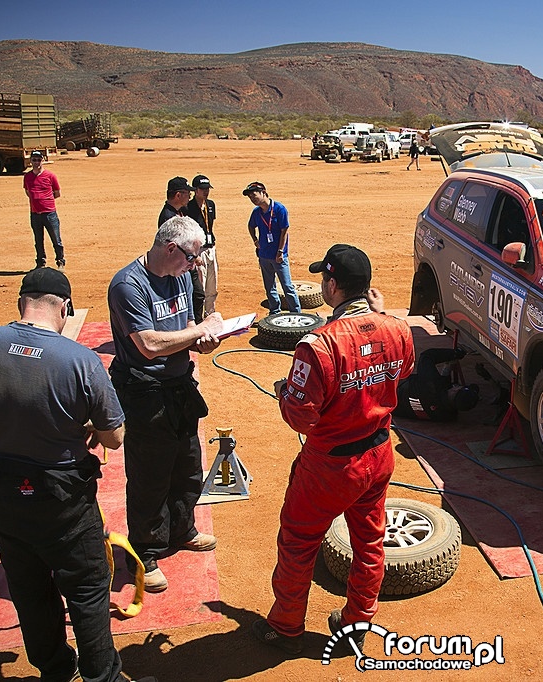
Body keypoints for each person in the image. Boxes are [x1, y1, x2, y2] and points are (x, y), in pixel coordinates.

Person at [0, 268, 156, 682]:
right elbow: (113, 436)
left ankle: (56, 671)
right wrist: (91, 428)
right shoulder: (78, 359)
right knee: (88, 589)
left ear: (21, 302)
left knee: (29, 588)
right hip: (62, 501)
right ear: (65, 307)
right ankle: (102, 677)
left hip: (1, 496)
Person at [252, 244, 414, 655]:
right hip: (379, 455)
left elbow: (300, 417)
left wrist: (285, 393)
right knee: (369, 541)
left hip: (330, 466)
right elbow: (403, 370)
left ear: (332, 284)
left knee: (298, 542)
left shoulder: (318, 345)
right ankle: (358, 622)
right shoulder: (397, 328)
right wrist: (378, 318)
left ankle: (287, 624)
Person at [107, 215, 224, 593]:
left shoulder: (182, 276)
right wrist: (197, 332)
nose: (195, 265)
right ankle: (145, 551)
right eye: (191, 257)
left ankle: (182, 528)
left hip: (178, 385)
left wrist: (202, 339)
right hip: (144, 392)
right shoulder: (129, 285)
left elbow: (187, 324)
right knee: (149, 475)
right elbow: (149, 344)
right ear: (170, 248)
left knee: (187, 465)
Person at [244, 181, 301, 315]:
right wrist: (255, 240)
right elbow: (251, 226)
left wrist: (280, 251)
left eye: (254, 195)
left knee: (287, 286)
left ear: (263, 192)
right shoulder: (256, 212)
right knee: (269, 287)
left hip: (278, 256)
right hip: (264, 255)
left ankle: (296, 313)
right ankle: (274, 311)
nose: (252, 199)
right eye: (250, 197)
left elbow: (284, 231)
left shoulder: (279, 209)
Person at [394, 347, 479, 421]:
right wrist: (447, 368)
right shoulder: (448, 416)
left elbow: (426, 356)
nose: (457, 386)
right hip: (391, 408)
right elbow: (442, 396)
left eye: (459, 387)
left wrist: (454, 354)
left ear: (456, 390)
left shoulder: (431, 383)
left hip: (389, 388)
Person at [23, 150, 65, 270]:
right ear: (30, 161)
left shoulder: (50, 176)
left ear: (43, 160)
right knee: (38, 240)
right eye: (34, 160)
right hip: (35, 214)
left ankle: (60, 262)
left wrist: (45, 200)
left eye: (39, 160)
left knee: (56, 239)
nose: (36, 162)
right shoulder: (27, 177)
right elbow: (27, 192)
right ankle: (40, 263)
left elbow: (57, 193)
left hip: (49, 213)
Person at [186, 174, 218, 318]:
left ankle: (210, 314)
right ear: (195, 190)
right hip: (199, 251)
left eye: (207, 188)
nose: (206, 191)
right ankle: (198, 318)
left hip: (211, 248)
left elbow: (210, 226)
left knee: (213, 283)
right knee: (201, 285)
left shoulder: (211, 205)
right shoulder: (189, 208)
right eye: (202, 189)